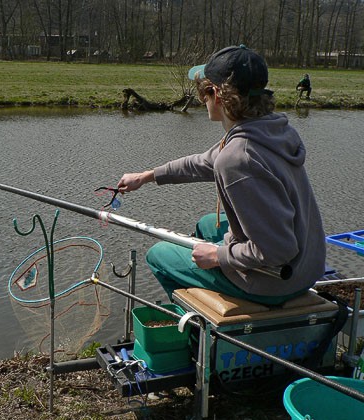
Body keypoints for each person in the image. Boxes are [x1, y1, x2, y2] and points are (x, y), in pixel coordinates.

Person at [117, 45, 325, 306]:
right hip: (308, 265)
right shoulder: (270, 130)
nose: (202, 100)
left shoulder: (239, 157)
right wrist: (146, 176)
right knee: (208, 224)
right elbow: (200, 163)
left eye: (203, 92)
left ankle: (200, 327)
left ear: (215, 94)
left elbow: (278, 250)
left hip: (278, 280)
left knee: (159, 255)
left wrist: (218, 256)